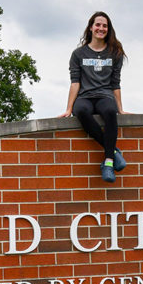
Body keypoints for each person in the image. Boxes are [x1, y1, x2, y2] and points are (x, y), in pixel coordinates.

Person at [61, 11, 128, 182]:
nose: (101, 28)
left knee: (110, 112)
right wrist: (69, 108)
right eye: (97, 25)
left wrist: (120, 109)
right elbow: (75, 82)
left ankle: (108, 162)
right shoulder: (78, 54)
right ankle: (112, 150)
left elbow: (115, 83)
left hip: (105, 95)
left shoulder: (115, 53)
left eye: (104, 25)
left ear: (108, 29)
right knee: (81, 111)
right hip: (85, 96)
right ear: (91, 27)